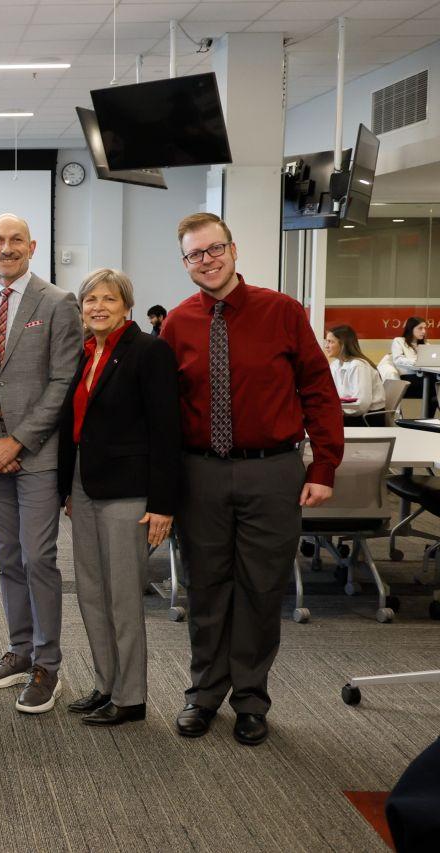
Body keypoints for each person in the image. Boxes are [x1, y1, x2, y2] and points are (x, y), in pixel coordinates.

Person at [161, 212, 342, 746]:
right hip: (201, 474)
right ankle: (203, 694)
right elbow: (167, 409)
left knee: (262, 589)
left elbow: (318, 391)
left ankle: (250, 700)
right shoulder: (176, 323)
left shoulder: (282, 312)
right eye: (195, 254)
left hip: (272, 469)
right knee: (205, 586)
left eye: (214, 249)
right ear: (185, 263)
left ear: (233, 250)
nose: (207, 261)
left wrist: (324, 464)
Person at [0, 213, 82, 714]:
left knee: (39, 558)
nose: (6, 248)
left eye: (16, 240)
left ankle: (47, 665)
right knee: (7, 556)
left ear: (32, 246)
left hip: (36, 456)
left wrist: (16, 442)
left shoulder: (58, 303)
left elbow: (62, 384)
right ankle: (19, 650)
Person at [58, 268, 180, 726]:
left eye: (108, 299)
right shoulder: (85, 351)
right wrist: (67, 487)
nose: (97, 307)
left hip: (129, 493)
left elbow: (167, 431)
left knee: (123, 597)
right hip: (85, 488)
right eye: (90, 300)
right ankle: (105, 684)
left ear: (127, 306)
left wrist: (164, 504)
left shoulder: (149, 352)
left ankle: (131, 697)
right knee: (90, 592)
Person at [325, 324, 386, 425]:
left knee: (321, 423)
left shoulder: (358, 366)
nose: (326, 346)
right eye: (326, 341)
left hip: (367, 419)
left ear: (343, 344)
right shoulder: (335, 365)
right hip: (351, 415)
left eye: (330, 342)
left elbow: (362, 405)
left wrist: (337, 412)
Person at [392, 316, 430, 410]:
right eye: (420, 328)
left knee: (435, 390)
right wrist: (417, 363)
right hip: (408, 378)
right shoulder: (399, 341)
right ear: (411, 328)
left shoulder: (426, 344)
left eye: (425, 328)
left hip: (425, 376)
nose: (424, 331)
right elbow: (398, 360)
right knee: (434, 388)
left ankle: (428, 418)